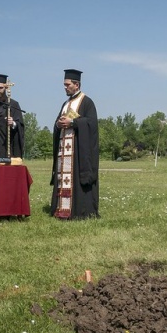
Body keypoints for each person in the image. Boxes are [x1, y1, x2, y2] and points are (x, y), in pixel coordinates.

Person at [50, 69, 99, 220]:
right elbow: (58, 122)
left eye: (67, 84)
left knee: (77, 179)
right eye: (64, 85)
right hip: (64, 151)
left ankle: (79, 211)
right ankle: (61, 209)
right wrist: (58, 124)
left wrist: (73, 122)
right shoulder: (66, 104)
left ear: (76, 85)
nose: (65, 87)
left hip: (78, 152)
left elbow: (92, 124)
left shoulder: (87, 102)